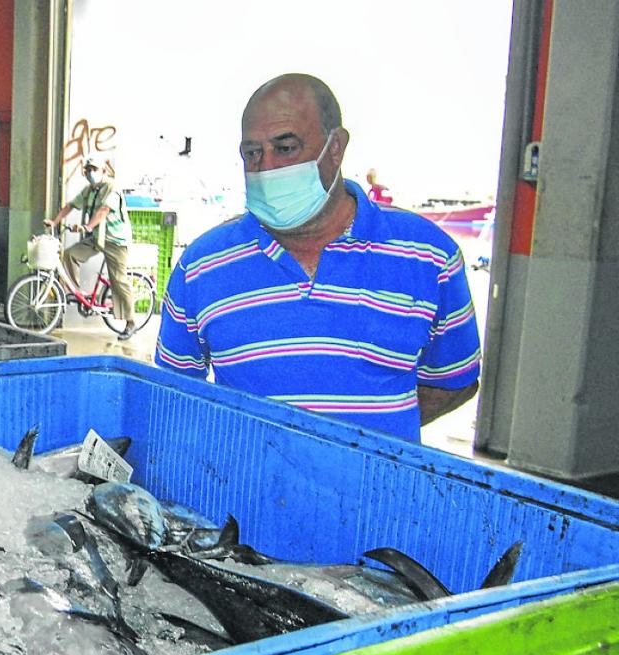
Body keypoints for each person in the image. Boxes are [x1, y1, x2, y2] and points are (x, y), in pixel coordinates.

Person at [155, 73, 480, 442]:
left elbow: (454, 381)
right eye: (253, 153)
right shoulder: (201, 267)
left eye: (286, 147)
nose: (267, 168)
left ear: (336, 147)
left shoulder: (428, 256)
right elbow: (174, 395)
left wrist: (358, 444)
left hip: (377, 494)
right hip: (241, 494)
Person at [43, 155, 137, 340]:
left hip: (116, 241)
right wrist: (54, 222)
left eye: (95, 169)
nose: (91, 173)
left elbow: (103, 211)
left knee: (118, 280)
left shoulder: (112, 189)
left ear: (103, 171)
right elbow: (70, 206)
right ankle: (77, 292)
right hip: (97, 238)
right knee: (69, 254)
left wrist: (87, 227)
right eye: (88, 170)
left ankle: (131, 322)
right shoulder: (88, 190)